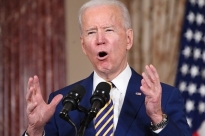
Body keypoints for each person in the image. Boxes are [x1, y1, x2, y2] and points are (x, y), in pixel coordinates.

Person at [24, 0, 191, 136]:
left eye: (108, 30)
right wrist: (35, 131)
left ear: (128, 39)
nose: (100, 39)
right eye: (91, 32)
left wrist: (157, 117)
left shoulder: (165, 98)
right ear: (83, 45)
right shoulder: (63, 103)